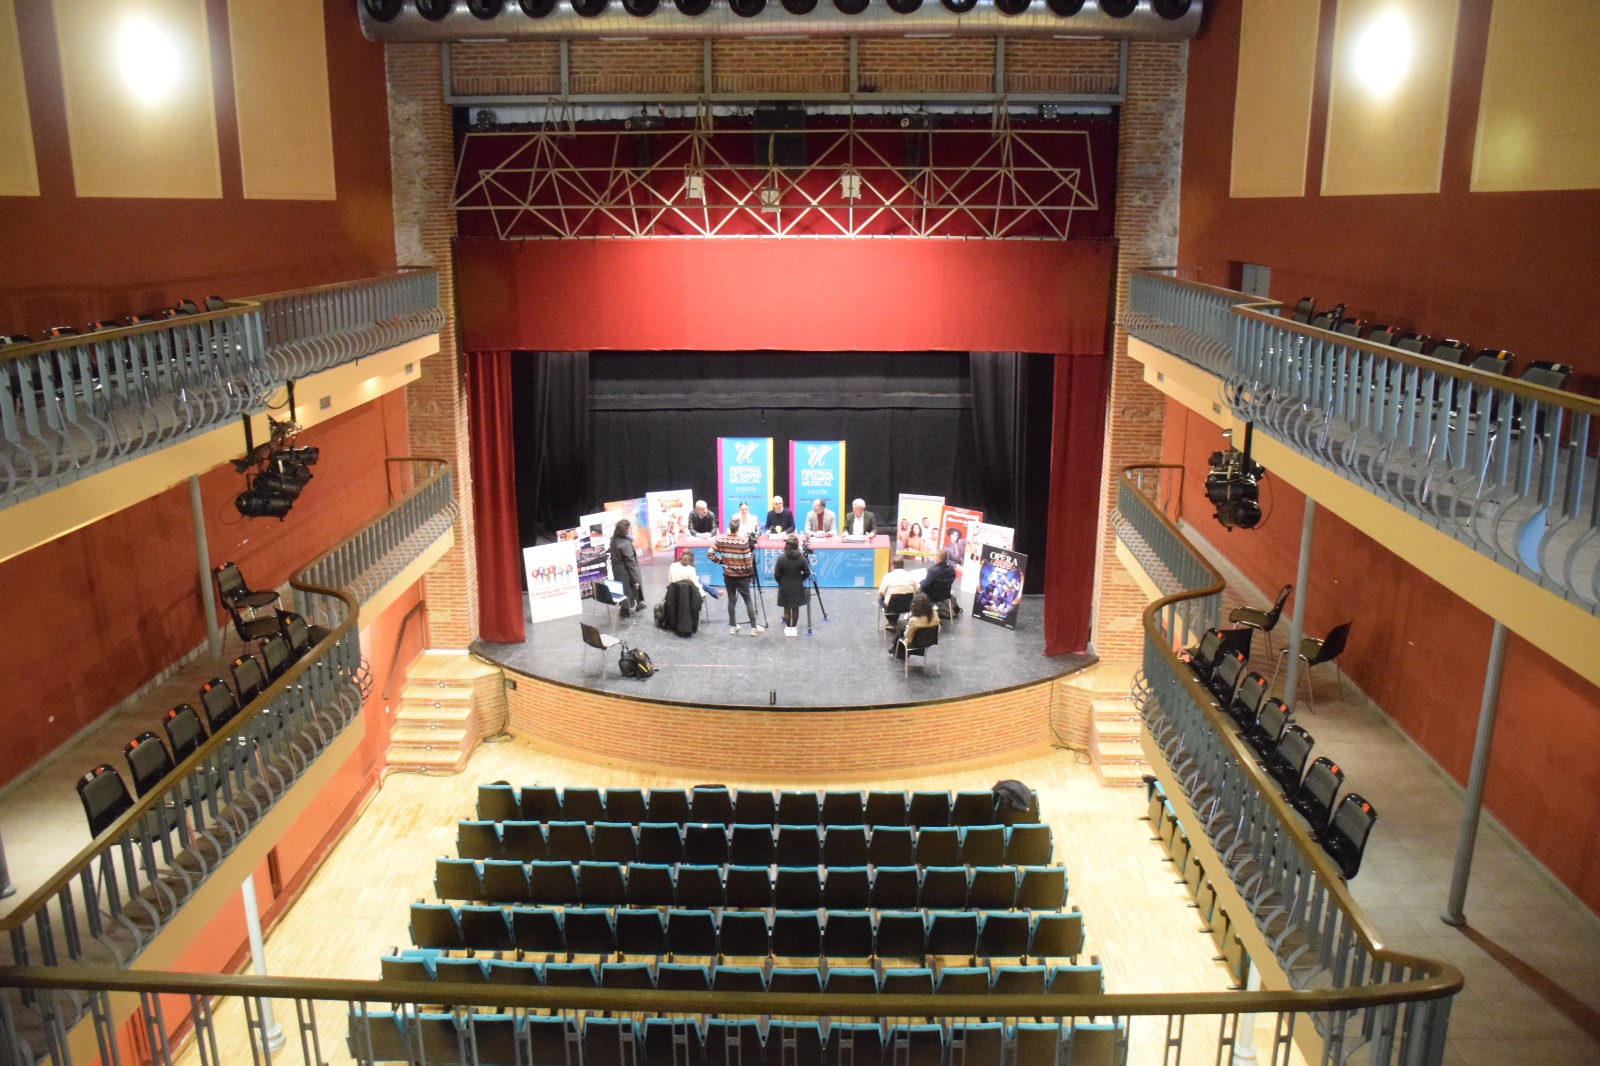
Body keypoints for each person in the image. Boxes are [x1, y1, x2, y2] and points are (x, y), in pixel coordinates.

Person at [708, 518, 763, 635]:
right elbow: (748, 562)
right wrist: (750, 575)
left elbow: (710, 554)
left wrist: (722, 561)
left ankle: (733, 626)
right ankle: (754, 628)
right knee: (748, 600)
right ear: (738, 529)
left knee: (731, 600)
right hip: (742, 576)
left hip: (728, 575)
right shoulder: (743, 542)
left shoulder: (721, 540)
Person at [773, 534, 811, 638]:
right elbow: (807, 572)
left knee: (786, 607)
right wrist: (800, 579)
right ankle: (794, 628)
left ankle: (788, 627)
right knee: (795, 607)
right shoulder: (801, 558)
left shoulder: (781, 558)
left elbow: (776, 574)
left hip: (784, 586)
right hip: (797, 586)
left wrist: (781, 582)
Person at [890, 593, 940, 659]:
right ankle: (894, 647)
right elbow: (938, 629)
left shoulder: (913, 620)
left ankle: (895, 647)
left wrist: (907, 627)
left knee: (901, 625)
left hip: (914, 643)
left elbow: (907, 635)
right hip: (930, 641)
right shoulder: (935, 615)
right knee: (902, 624)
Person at [610, 518, 644, 614]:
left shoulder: (614, 539)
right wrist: (636, 578)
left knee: (623, 589)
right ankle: (629, 607)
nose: (630, 530)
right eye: (629, 528)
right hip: (625, 571)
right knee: (631, 587)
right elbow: (630, 562)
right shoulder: (624, 544)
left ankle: (626, 607)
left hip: (617, 570)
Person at [877, 557, 919, 631]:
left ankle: (891, 622)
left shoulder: (888, 576)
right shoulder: (910, 576)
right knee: (899, 599)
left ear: (892, 565)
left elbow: (881, 592)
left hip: (891, 606)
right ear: (903, 565)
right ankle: (893, 621)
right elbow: (916, 591)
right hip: (907, 605)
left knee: (881, 599)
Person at [920, 547, 958, 618]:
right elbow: (952, 578)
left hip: (933, 597)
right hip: (946, 595)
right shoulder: (951, 569)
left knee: (919, 590)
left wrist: (921, 581)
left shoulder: (932, 571)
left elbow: (925, 585)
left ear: (937, 558)